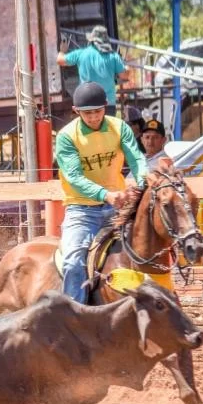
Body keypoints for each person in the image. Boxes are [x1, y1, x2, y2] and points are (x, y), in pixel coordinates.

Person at [55, 82, 147, 305]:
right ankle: (74, 314)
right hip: (81, 211)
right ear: (76, 111)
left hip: (118, 209)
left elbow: (136, 159)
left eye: (97, 111)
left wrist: (144, 182)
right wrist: (106, 195)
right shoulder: (67, 136)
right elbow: (74, 178)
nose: (94, 117)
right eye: (87, 113)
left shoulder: (120, 127)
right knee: (73, 263)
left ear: (105, 107)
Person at [57, 27, 127, 116]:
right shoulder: (113, 56)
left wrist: (62, 51)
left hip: (86, 103)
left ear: (91, 41)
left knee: (89, 125)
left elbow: (60, 61)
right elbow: (124, 76)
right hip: (107, 103)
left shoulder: (81, 53)